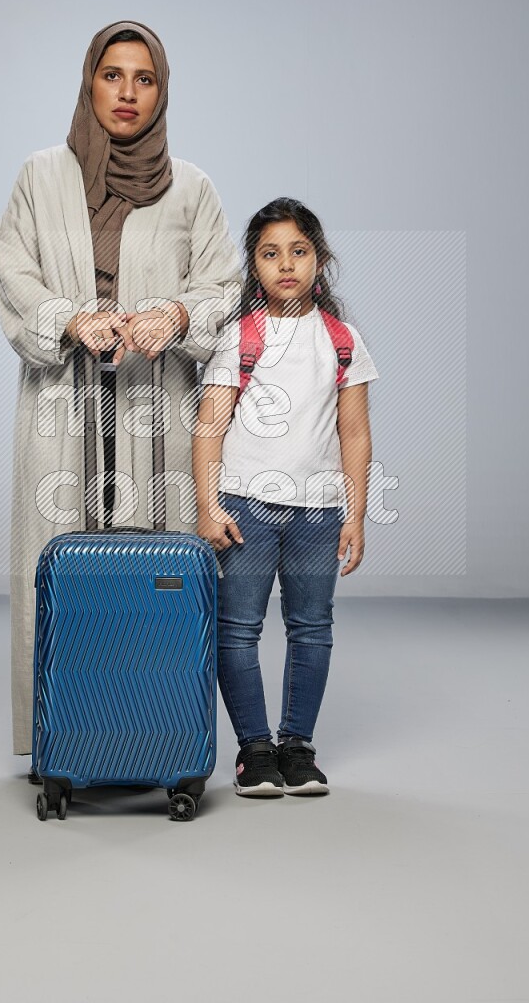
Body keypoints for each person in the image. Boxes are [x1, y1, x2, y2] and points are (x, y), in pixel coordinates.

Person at [0, 20, 242, 758]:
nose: (128, 93)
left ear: (162, 92)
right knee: (60, 562)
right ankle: (63, 737)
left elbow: (223, 283)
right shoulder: (41, 175)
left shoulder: (192, 187)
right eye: (113, 75)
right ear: (88, 82)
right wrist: (70, 319)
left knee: (157, 565)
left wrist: (175, 313)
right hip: (62, 403)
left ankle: (156, 730)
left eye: (145, 78)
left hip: (156, 402)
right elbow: (13, 272)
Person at [193, 197, 379, 797]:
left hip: (318, 512)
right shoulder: (239, 336)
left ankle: (297, 747)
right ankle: (254, 750)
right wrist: (207, 505)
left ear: (319, 261)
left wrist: (354, 513)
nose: (286, 265)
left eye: (299, 251)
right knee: (237, 630)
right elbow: (210, 427)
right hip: (245, 505)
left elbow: (354, 432)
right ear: (254, 266)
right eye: (270, 254)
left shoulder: (341, 339)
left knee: (311, 628)